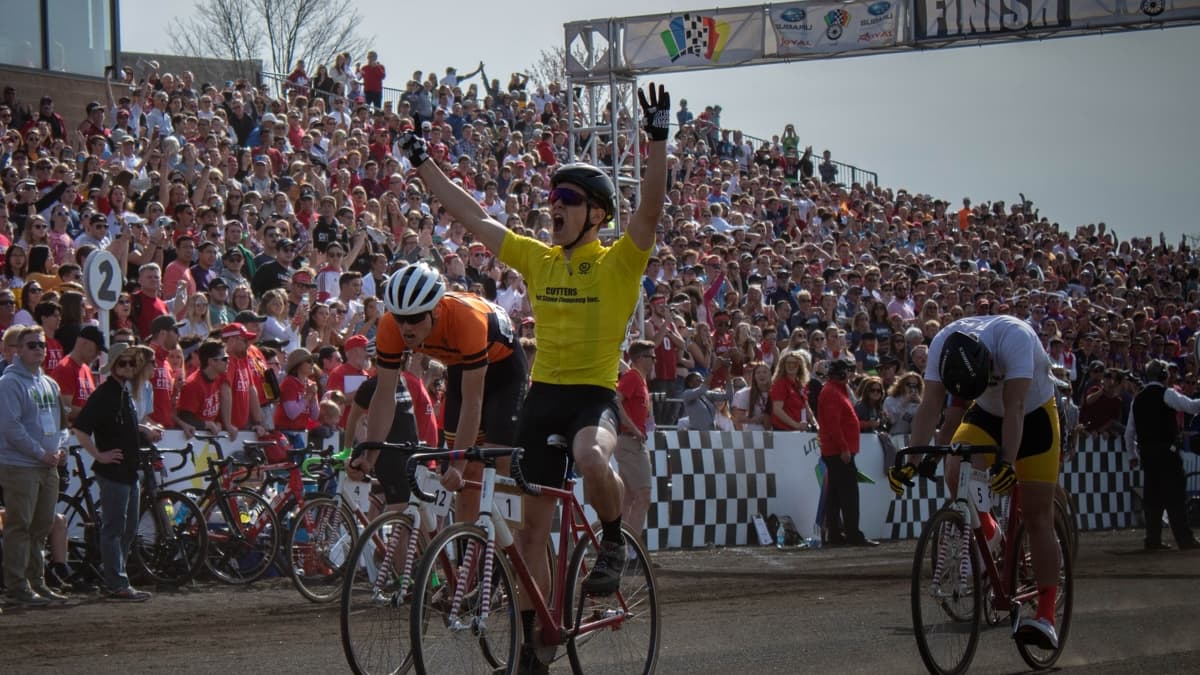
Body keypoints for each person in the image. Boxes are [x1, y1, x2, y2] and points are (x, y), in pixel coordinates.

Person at [395, 81, 670, 671]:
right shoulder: (539, 258)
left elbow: (649, 208)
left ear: (596, 213)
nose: (557, 204)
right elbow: (468, 213)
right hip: (540, 397)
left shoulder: (619, 260)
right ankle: (533, 640)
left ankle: (614, 540)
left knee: (594, 460)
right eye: (553, 195)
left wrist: (656, 141)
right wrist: (423, 164)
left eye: (568, 197)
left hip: (592, 396)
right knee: (526, 540)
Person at [889, 315, 1063, 650]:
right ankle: (988, 530)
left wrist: (1007, 463)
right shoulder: (943, 342)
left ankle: (1045, 616)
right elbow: (930, 407)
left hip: (1034, 413)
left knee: (1037, 514)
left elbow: (1014, 408)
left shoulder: (1015, 339)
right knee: (955, 465)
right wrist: (912, 461)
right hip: (985, 413)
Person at [363, 263, 526, 526]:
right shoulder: (390, 327)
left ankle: (507, 550)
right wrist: (370, 454)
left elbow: (474, 401)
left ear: (436, 310)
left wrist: (458, 465)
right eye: (399, 317)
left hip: (504, 373)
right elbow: (384, 393)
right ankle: (466, 552)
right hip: (461, 367)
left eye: (415, 318)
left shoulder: (466, 319)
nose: (406, 328)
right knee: (465, 479)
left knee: (495, 464)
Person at [71, 342, 153, 601]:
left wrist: (143, 430)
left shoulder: (122, 392)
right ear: (113, 366)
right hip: (115, 472)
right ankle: (116, 581)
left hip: (128, 470)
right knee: (115, 529)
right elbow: (81, 429)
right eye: (123, 363)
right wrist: (99, 455)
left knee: (127, 529)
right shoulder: (105, 393)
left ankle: (117, 579)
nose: (128, 367)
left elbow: (115, 426)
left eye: (131, 362)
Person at [0, 326, 68, 605]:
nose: (38, 349)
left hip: (46, 465)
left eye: (41, 345)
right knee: (20, 525)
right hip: (20, 465)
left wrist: (60, 448)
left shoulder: (49, 383)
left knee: (40, 526)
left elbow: (63, 424)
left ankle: (36, 581)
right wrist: (42, 453)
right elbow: (10, 427)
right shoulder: (9, 383)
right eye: (31, 345)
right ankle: (17, 585)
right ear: (18, 349)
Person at [1123, 359, 1200, 551]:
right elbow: (1191, 407)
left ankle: (1153, 540)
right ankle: (1184, 539)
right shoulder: (1167, 394)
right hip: (1167, 452)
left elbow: (1129, 432)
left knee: (1153, 497)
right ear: (1164, 376)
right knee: (1175, 495)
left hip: (1147, 454)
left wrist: (1132, 455)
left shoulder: (1138, 399)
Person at [818, 358, 878, 547]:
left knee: (836, 495)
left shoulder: (836, 390)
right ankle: (853, 534)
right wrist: (844, 447)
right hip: (838, 451)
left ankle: (836, 534)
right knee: (849, 494)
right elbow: (833, 424)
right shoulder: (832, 392)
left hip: (837, 450)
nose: (850, 375)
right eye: (847, 371)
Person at [615, 340, 655, 539]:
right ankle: (632, 548)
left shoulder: (637, 377)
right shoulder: (633, 377)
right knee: (643, 495)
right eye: (651, 356)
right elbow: (616, 399)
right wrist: (634, 428)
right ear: (640, 358)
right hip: (630, 440)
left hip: (629, 439)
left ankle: (619, 544)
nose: (654, 360)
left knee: (629, 497)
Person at [50, 324, 106, 423]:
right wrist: (96, 412)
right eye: (97, 349)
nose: (99, 354)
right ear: (84, 343)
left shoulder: (86, 369)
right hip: (72, 435)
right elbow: (65, 410)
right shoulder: (65, 369)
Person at [176, 340, 228, 436]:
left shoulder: (217, 378)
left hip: (207, 439)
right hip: (192, 440)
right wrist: (207, 425)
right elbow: (185, 417)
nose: (228, 361)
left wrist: (217, 423)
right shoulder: (193, 385)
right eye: (224, 359)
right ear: (211, 361)